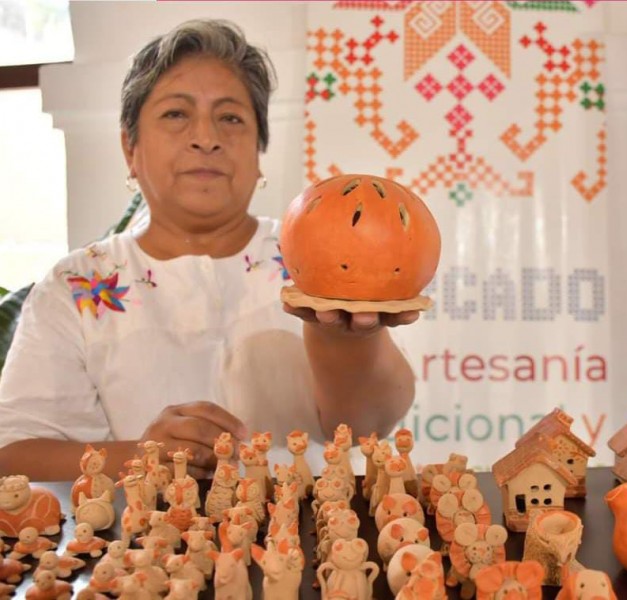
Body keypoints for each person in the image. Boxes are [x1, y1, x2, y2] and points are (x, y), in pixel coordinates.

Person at [0, 19, 417, 481]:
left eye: (231, 117)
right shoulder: (74, 286)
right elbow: (13, 453)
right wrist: (140, 457)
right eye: (176, 114)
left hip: (311, 539)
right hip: (132, 547)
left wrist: (349, 339)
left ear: (259, 150)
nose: (206, 137)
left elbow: (367, 426)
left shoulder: (316, 262)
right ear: (130, 148)